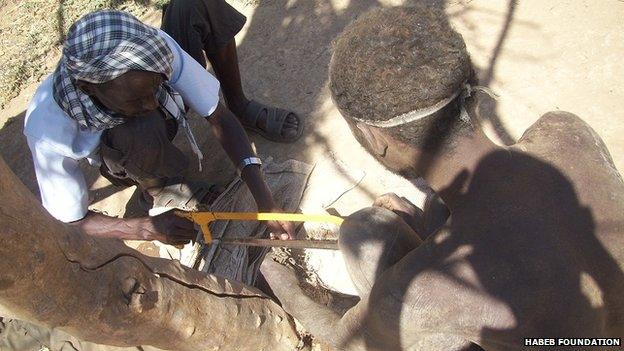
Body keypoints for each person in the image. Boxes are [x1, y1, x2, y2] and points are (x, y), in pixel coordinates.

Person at [261, 5, 624, 350]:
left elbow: (346, 340)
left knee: (363, 233)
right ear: (471, 79)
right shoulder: (565, 131)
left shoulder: (425, 290)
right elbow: (523, 229)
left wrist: (284, 284)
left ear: (375, 139)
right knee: (432, 208)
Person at [24, 10, 295, 245]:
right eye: (137, 98)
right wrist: (145, 228)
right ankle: (158, 189)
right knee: (139, 128)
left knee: (193, 8)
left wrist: (265, 202)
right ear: (88, 88)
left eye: (155, 87)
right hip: (124, 152)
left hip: (161, 112)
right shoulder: (47, 129)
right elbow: (72, 220)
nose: (153, 103)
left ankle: (242, 105)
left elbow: (217, 116)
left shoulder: (152, 49)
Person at [161, 0, 303, 142]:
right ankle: (156, 153)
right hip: (145, 127)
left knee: (193, 4)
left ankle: (239, 106)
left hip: (152, 90)